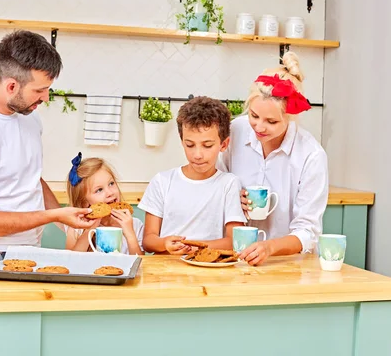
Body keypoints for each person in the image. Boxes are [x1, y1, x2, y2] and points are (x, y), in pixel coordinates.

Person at [0, 30, 96, 326]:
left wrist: (64, 221)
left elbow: (31, 178)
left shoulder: (28, 115)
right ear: (12, 85)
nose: (46, 98)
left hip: (29, 257)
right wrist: (54, 214)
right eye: (39, 90)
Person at [217, 51, 328, 266]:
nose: (259, 127)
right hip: (232, 258)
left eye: (271, 121)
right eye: (254, 116)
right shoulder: (235, 131)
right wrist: (230, 196)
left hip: (287, 264)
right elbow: (215, 182)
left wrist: (270, 248)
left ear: (290, 117)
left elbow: (308, 232)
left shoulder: (311, 155)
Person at [139, 96, 246, 254]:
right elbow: (148, 241)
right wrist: (164, 243)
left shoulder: (229, 184)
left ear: (223, 144)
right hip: (166, 270)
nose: (197, 154)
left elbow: (232, 241)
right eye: (190, 145)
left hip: (209, 270)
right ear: (182, 141)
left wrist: (196, 246)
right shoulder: (162, 181)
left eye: (207, 145)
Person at [64, 153, 144, 255]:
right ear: (84, 202)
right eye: (99, 190)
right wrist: (90, 229)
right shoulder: (77, 228)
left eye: (111, 184)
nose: (110, 193)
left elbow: (140, 265)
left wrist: (130, 234)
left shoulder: (135, 225)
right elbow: (71, 261)